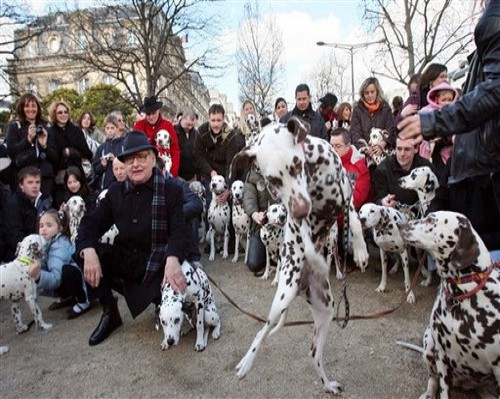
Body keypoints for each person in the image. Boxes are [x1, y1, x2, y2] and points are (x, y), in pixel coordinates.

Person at [397, 0, 500, 256]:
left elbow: (495, 91)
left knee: (480, 257)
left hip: (485, 172)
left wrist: (433, 121)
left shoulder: (494, 19)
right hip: (471, 171)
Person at [75, 131, 190, 346]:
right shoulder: (115, 192)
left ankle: (162, 302)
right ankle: (111, 312)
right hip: (130, 261)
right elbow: (90, 222)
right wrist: (89, 251)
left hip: (160, 267)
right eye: (129, 159)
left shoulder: (171, 190)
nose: (135, 164)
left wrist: (173, 258)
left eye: (141, 157)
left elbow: (180, 232)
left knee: (179, 278)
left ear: (153, 159)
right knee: (84, 250)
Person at [28, 209, 91, 320]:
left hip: (84, 282)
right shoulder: (46, 244)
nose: (43, 229)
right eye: (41, 225)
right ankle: (68, 297)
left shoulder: (59, 245)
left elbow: (56, 279)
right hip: (63, 279)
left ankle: (83, 301)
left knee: (67, 271)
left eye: (49, 225)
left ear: (60, 228)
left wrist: (38, 275)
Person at [5, 93, 58, 197]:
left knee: (44, 210)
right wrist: (27, 140)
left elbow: (55, 157)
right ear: (22, 108)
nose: (31, 109)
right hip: (23, 177)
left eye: (34, 106)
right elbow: (11, 152)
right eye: (27, 106)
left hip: (44, 178)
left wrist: (44, 146)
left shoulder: (46, 127)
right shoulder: (15, 126)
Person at [194, 103, 246, 206]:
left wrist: (228, 188)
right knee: (211, 203)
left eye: (219, 120)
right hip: (208, 171)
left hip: (225, 173)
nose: (216, 124)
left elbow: (231, 164)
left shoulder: (230, 135)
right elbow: (198, 155)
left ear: (223, 120)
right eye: (213, 120)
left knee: (225, 203)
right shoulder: (201, 131)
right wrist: (210, 171)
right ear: (208, 119)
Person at [48, 100, 93, 207]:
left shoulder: (76, 130)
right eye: (60, 112)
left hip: (78, 177)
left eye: (65, 112)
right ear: (54, 114)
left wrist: (72, 152)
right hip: (60, 180)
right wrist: (63, 154)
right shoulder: (50, 132)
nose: (63, 114)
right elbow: (52, 156)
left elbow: (87, 153)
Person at [372, 137, 434, 214]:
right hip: (393, 216)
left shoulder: (426, 168)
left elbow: (437, 198)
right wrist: (382, 202)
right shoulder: (383, 169)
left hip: (422, 217)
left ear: (416, 149)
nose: (402, 154)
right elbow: (377, 197)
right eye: (399, 149)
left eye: (407, 149)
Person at [2, 166, 52, 261]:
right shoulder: (13, 203)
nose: (35, 186)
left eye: (37, 182)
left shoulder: (43, 200)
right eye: (30, 182)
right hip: (18, 254)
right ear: (21, 185)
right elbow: (14, 236)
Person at [133, 95, 181, 177]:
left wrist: (173, 173)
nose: (151, 117)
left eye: (153, 113)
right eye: (148, 114)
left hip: (166, 170)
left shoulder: (168, 126)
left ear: (158, 110)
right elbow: (134, 149)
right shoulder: (138, 126)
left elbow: (175, 150)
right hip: (144, 171)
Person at [242, 164, 275, 276]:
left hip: (279, 222)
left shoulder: (280, 171)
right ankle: (267, 256)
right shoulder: (251, 176)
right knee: (253, 264)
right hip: (260, 226)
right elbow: (248, 198)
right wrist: (254, 213)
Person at [350, 77, 396, 154]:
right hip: (365, 151)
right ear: (363, 94)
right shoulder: (357, 109)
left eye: (372, 92)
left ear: (377, 92)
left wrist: (383, 143)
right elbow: (355, 132)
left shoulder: (385, 107)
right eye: (366, 93)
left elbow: (390, 128)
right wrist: (364, 148)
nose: (370, 95)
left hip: (384, 150)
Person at [330, 128, 371, 211]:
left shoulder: (359, 168)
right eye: (331, 146)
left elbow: (354, 202)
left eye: (338, 146)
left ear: (348, 145)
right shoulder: (328, 161)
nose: (333, 150)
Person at [417, 81, 459, 161]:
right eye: (444, 100)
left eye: (450, 100)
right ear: (437, 99)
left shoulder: (454, 113)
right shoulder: (429, 112)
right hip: (432, 150)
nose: (447, 103)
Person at [92, 113, 124, 192]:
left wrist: (116, 160)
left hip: (122, 184)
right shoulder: (101, 148)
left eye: (112, 128)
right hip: (106, 186)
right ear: (105, 129)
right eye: (107, 128)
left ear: (117, 129)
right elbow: (95, 169)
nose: (110, 131)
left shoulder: (123, 144)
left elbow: (128, 163)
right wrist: (102, 165)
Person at [174, 108, 199, 182]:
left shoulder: (195, 134)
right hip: (178, 175)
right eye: (188, 124)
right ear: (182, 119)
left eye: (192, 125)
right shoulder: (174, 130)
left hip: (192, 176)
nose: (190, 127)